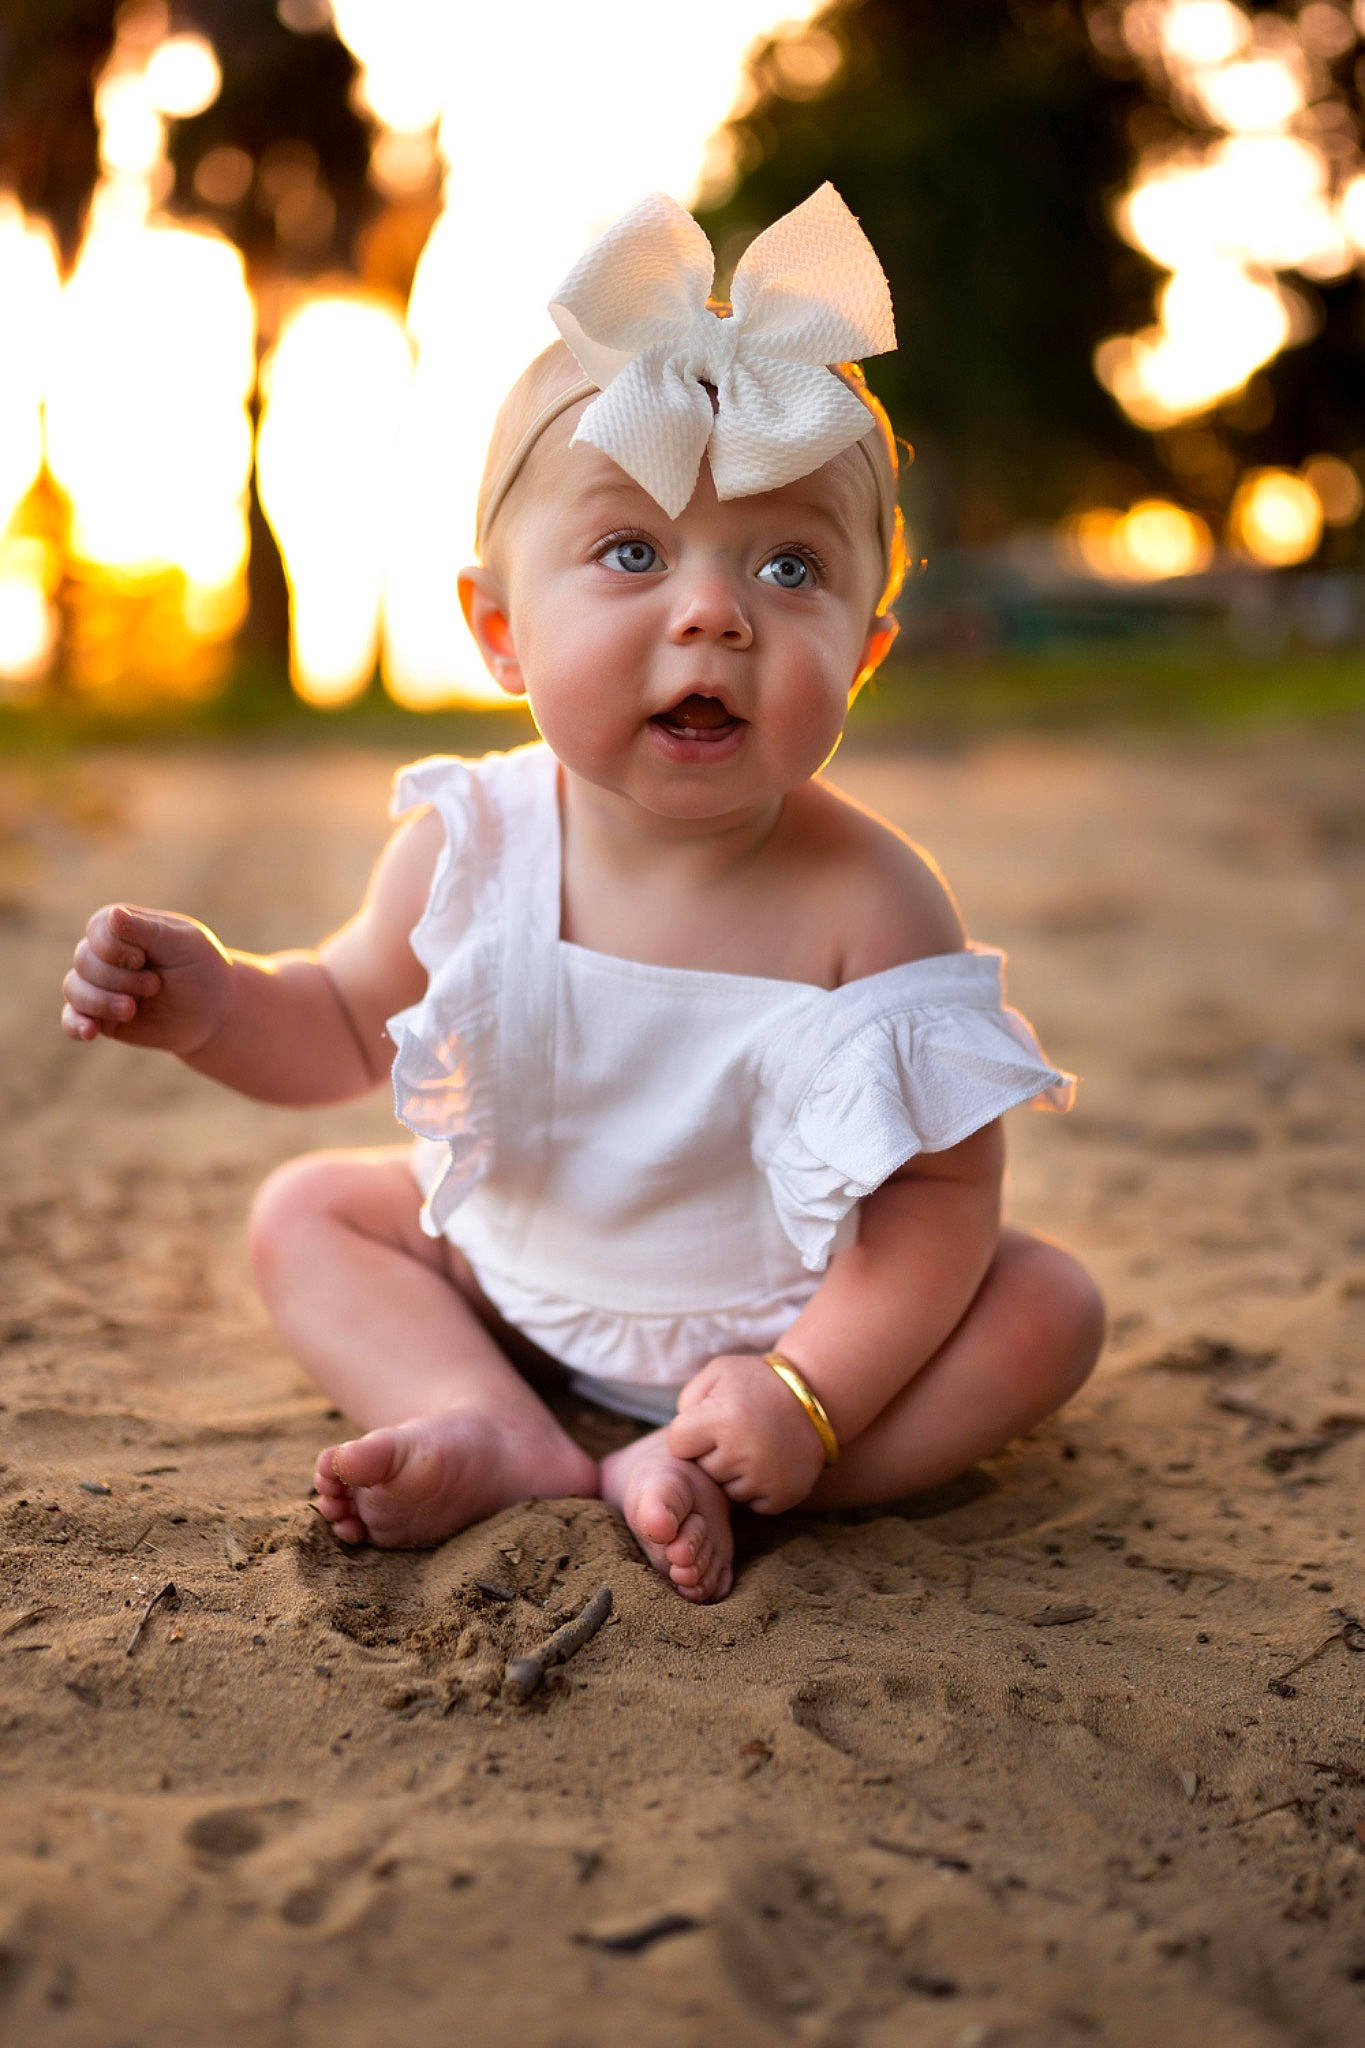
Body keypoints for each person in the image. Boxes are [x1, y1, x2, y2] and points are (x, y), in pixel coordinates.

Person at [60, 186, 1104, 1603]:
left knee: (1044, 1309)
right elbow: (344, 1027)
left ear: (860, 656)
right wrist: (216, 1002)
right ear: (498, 629)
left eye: (787, 566)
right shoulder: (472, 843)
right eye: (631, 553)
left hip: (790, 1315)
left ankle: (754, 1465)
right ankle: (492, 1418)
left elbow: (933, 1200)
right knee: (310, 1213)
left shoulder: (874, 898)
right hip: (519, 1277)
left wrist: (809, 1390)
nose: (711, 613)